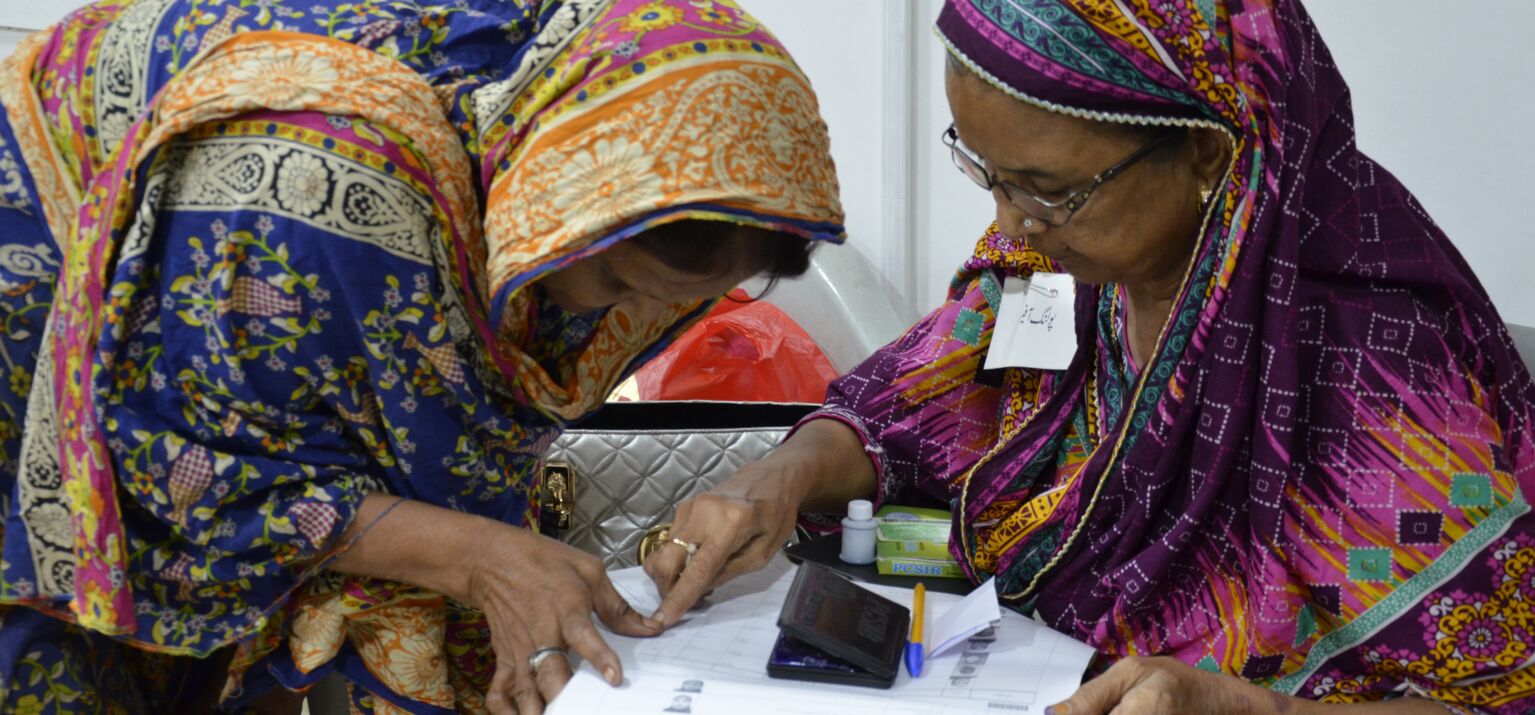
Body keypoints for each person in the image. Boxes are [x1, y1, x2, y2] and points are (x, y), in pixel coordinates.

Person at [644, 0, 1535, 713]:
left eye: (1047, 189)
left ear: (1205, 152)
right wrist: (780, 475)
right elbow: (905, 405)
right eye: (984, 172)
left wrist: (1255, 709)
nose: (1006, 226)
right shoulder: (1058, 269)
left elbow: (1499, 692)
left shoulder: (1378, 370)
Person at [0, 0, 844, 712]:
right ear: (556, 202)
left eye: (675, 304)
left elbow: (438, 424)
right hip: (42, 279)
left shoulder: (590, 98)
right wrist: (480, 558)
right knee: (77, 661)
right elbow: (180, 467)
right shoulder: (314, 199)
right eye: (622, 284)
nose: (623, 324)